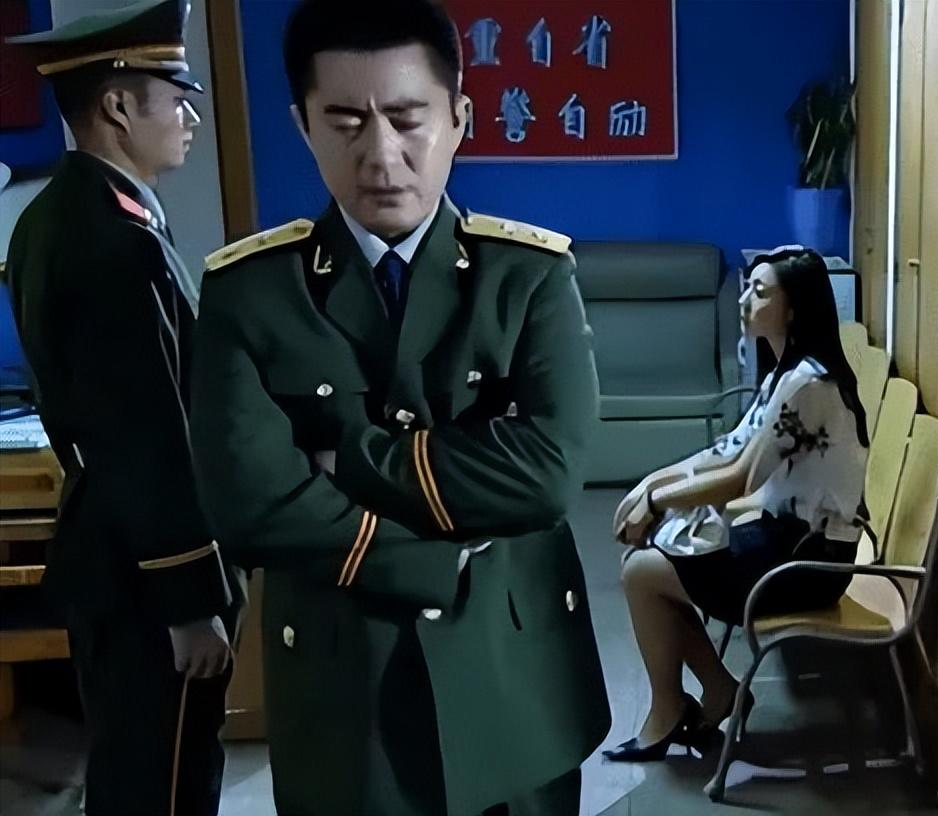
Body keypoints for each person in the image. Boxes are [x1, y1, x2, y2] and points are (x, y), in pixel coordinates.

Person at [188, 1, 609, 814]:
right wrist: (430, 554)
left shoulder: (527, 277)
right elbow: (250, 505)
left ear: (458, 120)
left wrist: (342, 457)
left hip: (514, 670)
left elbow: (548, 475)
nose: (381, 155)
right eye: (345, 122)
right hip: (343, 683)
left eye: (408, 119)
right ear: (303, 125)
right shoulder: (250, 293)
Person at [4, 2, 239, 814]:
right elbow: (145, 436)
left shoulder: (53, 216)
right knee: (164, 782)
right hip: (144, 575)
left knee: (135, 771)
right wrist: (191, 601)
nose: (190, 119)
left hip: (109, 548)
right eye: (174, 98)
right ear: (115, 107)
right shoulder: (115, 243)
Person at [603, 247, 872, 762]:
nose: (745, 299)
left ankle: (678, 705)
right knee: (649, 566)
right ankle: (713, 690)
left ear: (793, 309)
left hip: (811, 562)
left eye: (760, 291)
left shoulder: (809, 383)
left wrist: (656, 501)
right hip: (786, 541)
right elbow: (728, 450)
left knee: (642, 572)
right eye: (747, 287)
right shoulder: (785, 374)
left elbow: (740, 479)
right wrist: (650, 484)